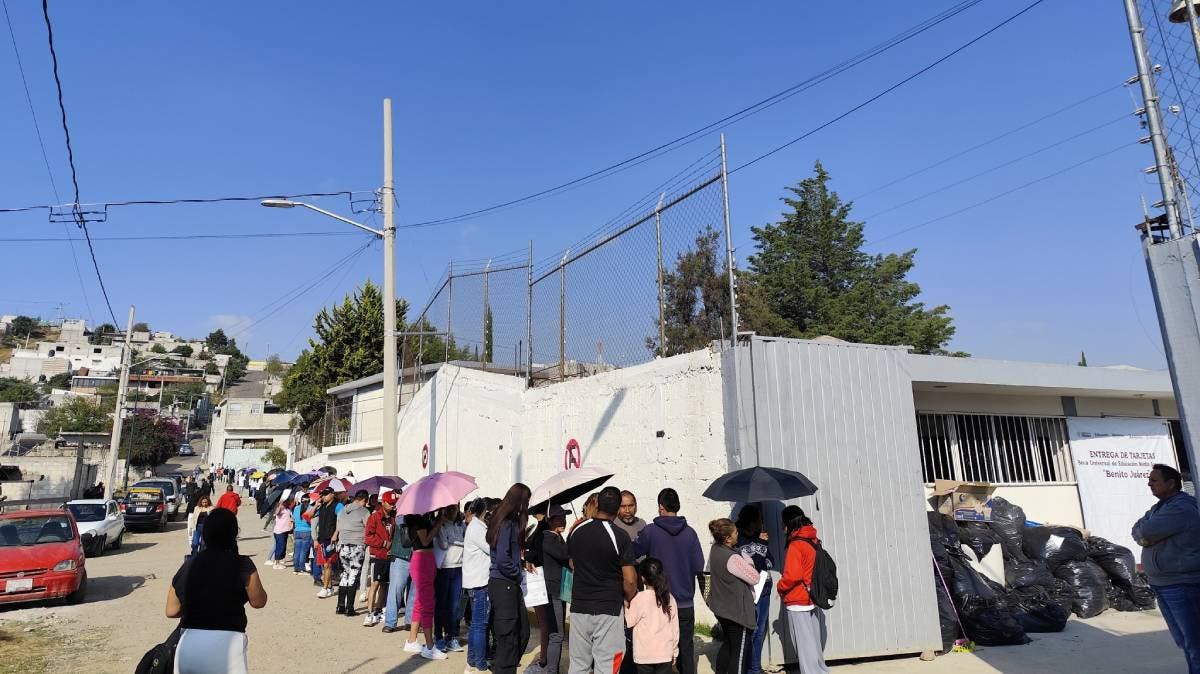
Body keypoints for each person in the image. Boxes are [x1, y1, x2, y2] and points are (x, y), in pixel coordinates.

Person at [165, 508, 268, 673]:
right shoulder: (243, 564)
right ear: (234, 534)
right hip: (229, 645)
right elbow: (259, 602)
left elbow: (171, 610)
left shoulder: (189, 565)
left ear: (205, 534)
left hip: (190, 643)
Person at [1132, 463, 1200, 674]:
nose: (1149, 484)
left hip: (1181, 584)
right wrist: (1144, 535)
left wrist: (1145, 535)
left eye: (1154, 480)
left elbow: (1147, 531)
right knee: (1183, 641)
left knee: (1194, 642)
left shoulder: (1181, 508)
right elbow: (1137, 530)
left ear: (1171, 484)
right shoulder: (1158, 508)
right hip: (1163, 584)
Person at [631, 488, 705, 674]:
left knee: (657, 651)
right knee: (686, 649)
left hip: (659, 601)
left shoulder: (650, 532)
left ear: (660, 507)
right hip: (685, 602)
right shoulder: (690, 533)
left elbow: (631, 553)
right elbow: (699, 565)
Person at [568, 486, 637, 674]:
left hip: (579, 607)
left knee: (578, 665)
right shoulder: (620, 536)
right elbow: (630, 580)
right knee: (607, 666)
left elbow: (572, 564)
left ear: (597, 504)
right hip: (609, 609)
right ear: (617, 510)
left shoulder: (576, 530)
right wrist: (629, 597)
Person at [705, 518, 760, 674]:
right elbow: (754, 577)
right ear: (728, 538)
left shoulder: (715, 549)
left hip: (722, 610)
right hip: (737, 614)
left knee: (729, 645)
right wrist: (747, 561)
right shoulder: (733, 559)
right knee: (739, 653)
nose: (738, 534)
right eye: (735, 532)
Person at [489, 483, 533, 674]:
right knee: (508, 637)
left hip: (508, 584)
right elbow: (502, 559)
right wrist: (517, 571)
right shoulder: (506, 523)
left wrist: (521, 565)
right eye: (527, 501)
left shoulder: (508, 522)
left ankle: (503, 668)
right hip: (504, 583)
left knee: (522, 633)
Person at [736, 504, 775, 674]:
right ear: (751, 522)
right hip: (747, 590)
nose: (762, 523)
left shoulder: (761, 537)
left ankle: (755, 669)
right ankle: (746, 668)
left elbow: (770, 561)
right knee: (749, 632)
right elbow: (753, 569)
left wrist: (762, 548)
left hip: (764, 588)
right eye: (759, 520)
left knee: (759, 631)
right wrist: (760, 545)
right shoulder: (737, 539)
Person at [404, 510, 447, 660]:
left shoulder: (421, 518)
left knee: (420, 602)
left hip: (425, 560)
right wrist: (438, 525)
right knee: (427, 603)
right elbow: (426, 540)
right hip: (422, 560)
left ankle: (412, 639)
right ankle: (429, 646)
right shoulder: (418, 519)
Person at [625, 557, 679, 674]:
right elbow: (675, 629)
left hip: (644, 655)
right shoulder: (669, 598)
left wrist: (625, 605)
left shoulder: (639, 599)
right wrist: (674, 651)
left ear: (643, 578)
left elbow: (628, 621)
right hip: (665, 653)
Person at [539, 506, 570, 674]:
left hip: (558, 590)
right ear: (549, 520)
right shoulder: (548, 538)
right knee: (556, 634)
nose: (563, 520)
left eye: (564, 517)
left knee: (556, 633)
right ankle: (552, 670)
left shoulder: (556, 536)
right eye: (559, 518)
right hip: (553, 591)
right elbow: (564, 555)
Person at [463, 498, 492, 673]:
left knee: (476, 624)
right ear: (484, 512)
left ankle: (472, 661)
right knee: (481, 625)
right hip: (479, 582)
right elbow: (492, 548)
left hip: (475, 581)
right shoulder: (477, 529)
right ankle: (480, 663)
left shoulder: (475, 527)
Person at [434, 504, 466, 652]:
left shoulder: (462, 525)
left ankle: (451, 637)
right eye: (450, 509)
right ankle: (438, 637)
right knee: (441, 605)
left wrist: (456, 542)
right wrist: (458, 542)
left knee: (454, 606)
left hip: (458, 568)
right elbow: (444, 544)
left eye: (455, 508)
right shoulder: (440, 525)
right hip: (444, 569)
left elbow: (466, 544)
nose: (452, 511)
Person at [333, 490, 371, 617]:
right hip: (357, 545)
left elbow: (338, 525)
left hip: (342, 545)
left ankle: (340, 606)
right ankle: (349, 608)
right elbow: (369, 528)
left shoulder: (343, 510)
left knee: (345, 574)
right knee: (353, 575)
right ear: (364, 500)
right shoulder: (364, 512)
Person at [382, 500, 416, 635]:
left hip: (417, 556)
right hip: (401, 556)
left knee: (414, 591)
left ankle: (410, 621)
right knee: (395, 590)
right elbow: (401, 523)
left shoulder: (425, 515)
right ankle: (390, 622)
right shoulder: (401, 514)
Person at [363, 490, 396, 626]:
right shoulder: (375, 517)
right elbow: (368, 537)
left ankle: (378, 610)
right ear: (383, 503)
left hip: (389, 556)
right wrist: (383, 543)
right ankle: (369, 613)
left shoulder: (393, 518)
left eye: (394, 503)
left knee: (385, 584)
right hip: (378, 555)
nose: (393, 506)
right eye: (391, 503)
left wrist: (392, 546)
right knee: (375, 583)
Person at [313, 488, 344, 599]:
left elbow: (341, 520)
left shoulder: (338, 506)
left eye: (326, 494)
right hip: (322, 538)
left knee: (327, 564)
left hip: (332, 539)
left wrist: (336, 533)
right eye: (322, 494)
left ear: (332, 494)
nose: (323, 496)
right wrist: (316, 506)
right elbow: (308, 516)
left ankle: (325, 588)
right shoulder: (321, 506)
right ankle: (330, 588)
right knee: (324, 564)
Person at [292, 495, 314, 576]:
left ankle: (296, 568)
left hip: (297, 530)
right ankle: (301, 568)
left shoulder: (296, 508)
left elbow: (294, 520)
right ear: (309, 500)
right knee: (303, 552)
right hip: (307, 531)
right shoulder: (311, 508)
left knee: (297, 551)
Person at [270, 499, 294, 570]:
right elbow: (276, 513)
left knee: (283, 547)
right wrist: (280, 505)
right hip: (279, 530)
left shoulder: (288, 509)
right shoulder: (280, 508)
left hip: (286, 530)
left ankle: (280, 560)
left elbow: (290, 516)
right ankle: (276, 563)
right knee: (280, 546)